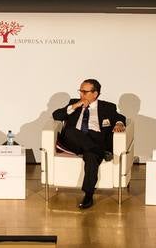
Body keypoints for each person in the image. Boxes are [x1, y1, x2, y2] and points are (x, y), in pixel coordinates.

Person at [53, 79, 126, 209]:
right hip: (74, 140)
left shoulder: (108, 107)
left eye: (85, 92)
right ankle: (101, 152)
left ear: (95, 94)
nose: (81, 94)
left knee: (91, 158)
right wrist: (76, 105)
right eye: (80, 91)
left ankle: (88, 195)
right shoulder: (73, 103)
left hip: (95, 141)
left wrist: (119, 124)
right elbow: (56, 115)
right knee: (70, 131)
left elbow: (120, 118)